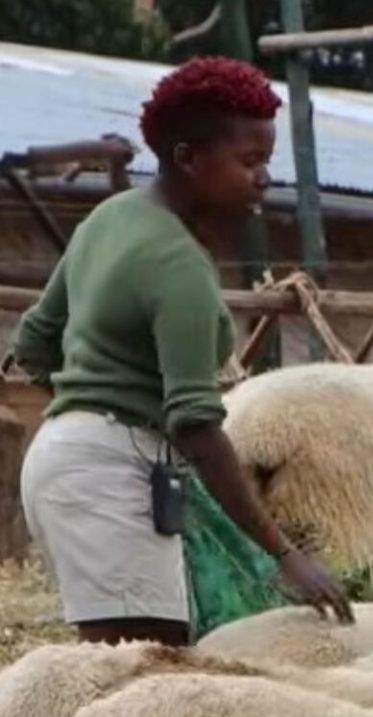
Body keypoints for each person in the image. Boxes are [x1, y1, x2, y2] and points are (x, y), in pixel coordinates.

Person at [6, 56, 353, 649]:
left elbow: (35, 342)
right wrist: (283, 553)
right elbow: (196, 424)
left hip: (62, 460)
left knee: (131, 668)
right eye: (249, 162)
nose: (263, 178)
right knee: (145, 672)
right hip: (109, 474)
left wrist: (88, 401)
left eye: (266, 162)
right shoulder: (179, 266)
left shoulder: (110, 217)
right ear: (189, 157)